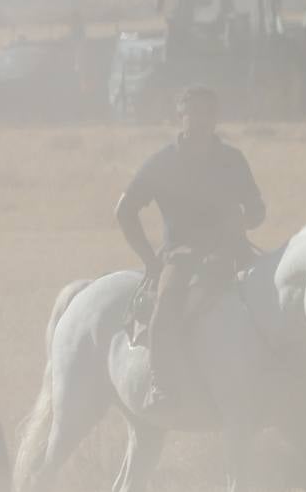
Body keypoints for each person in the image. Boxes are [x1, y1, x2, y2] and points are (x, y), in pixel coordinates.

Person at [114, 85, 267, 399]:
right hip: (182, 258)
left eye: (207, 113)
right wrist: (150, 260)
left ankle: (288, 381)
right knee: (167, 307)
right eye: (193, 113)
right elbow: (124, 211)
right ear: (179, 117)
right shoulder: (162, 163)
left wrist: (244, 221)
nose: (201, 120)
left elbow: (257, 210)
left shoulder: (232, 159)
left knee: (277, 299)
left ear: (215, 118)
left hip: (234, 252)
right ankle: (162, 384)